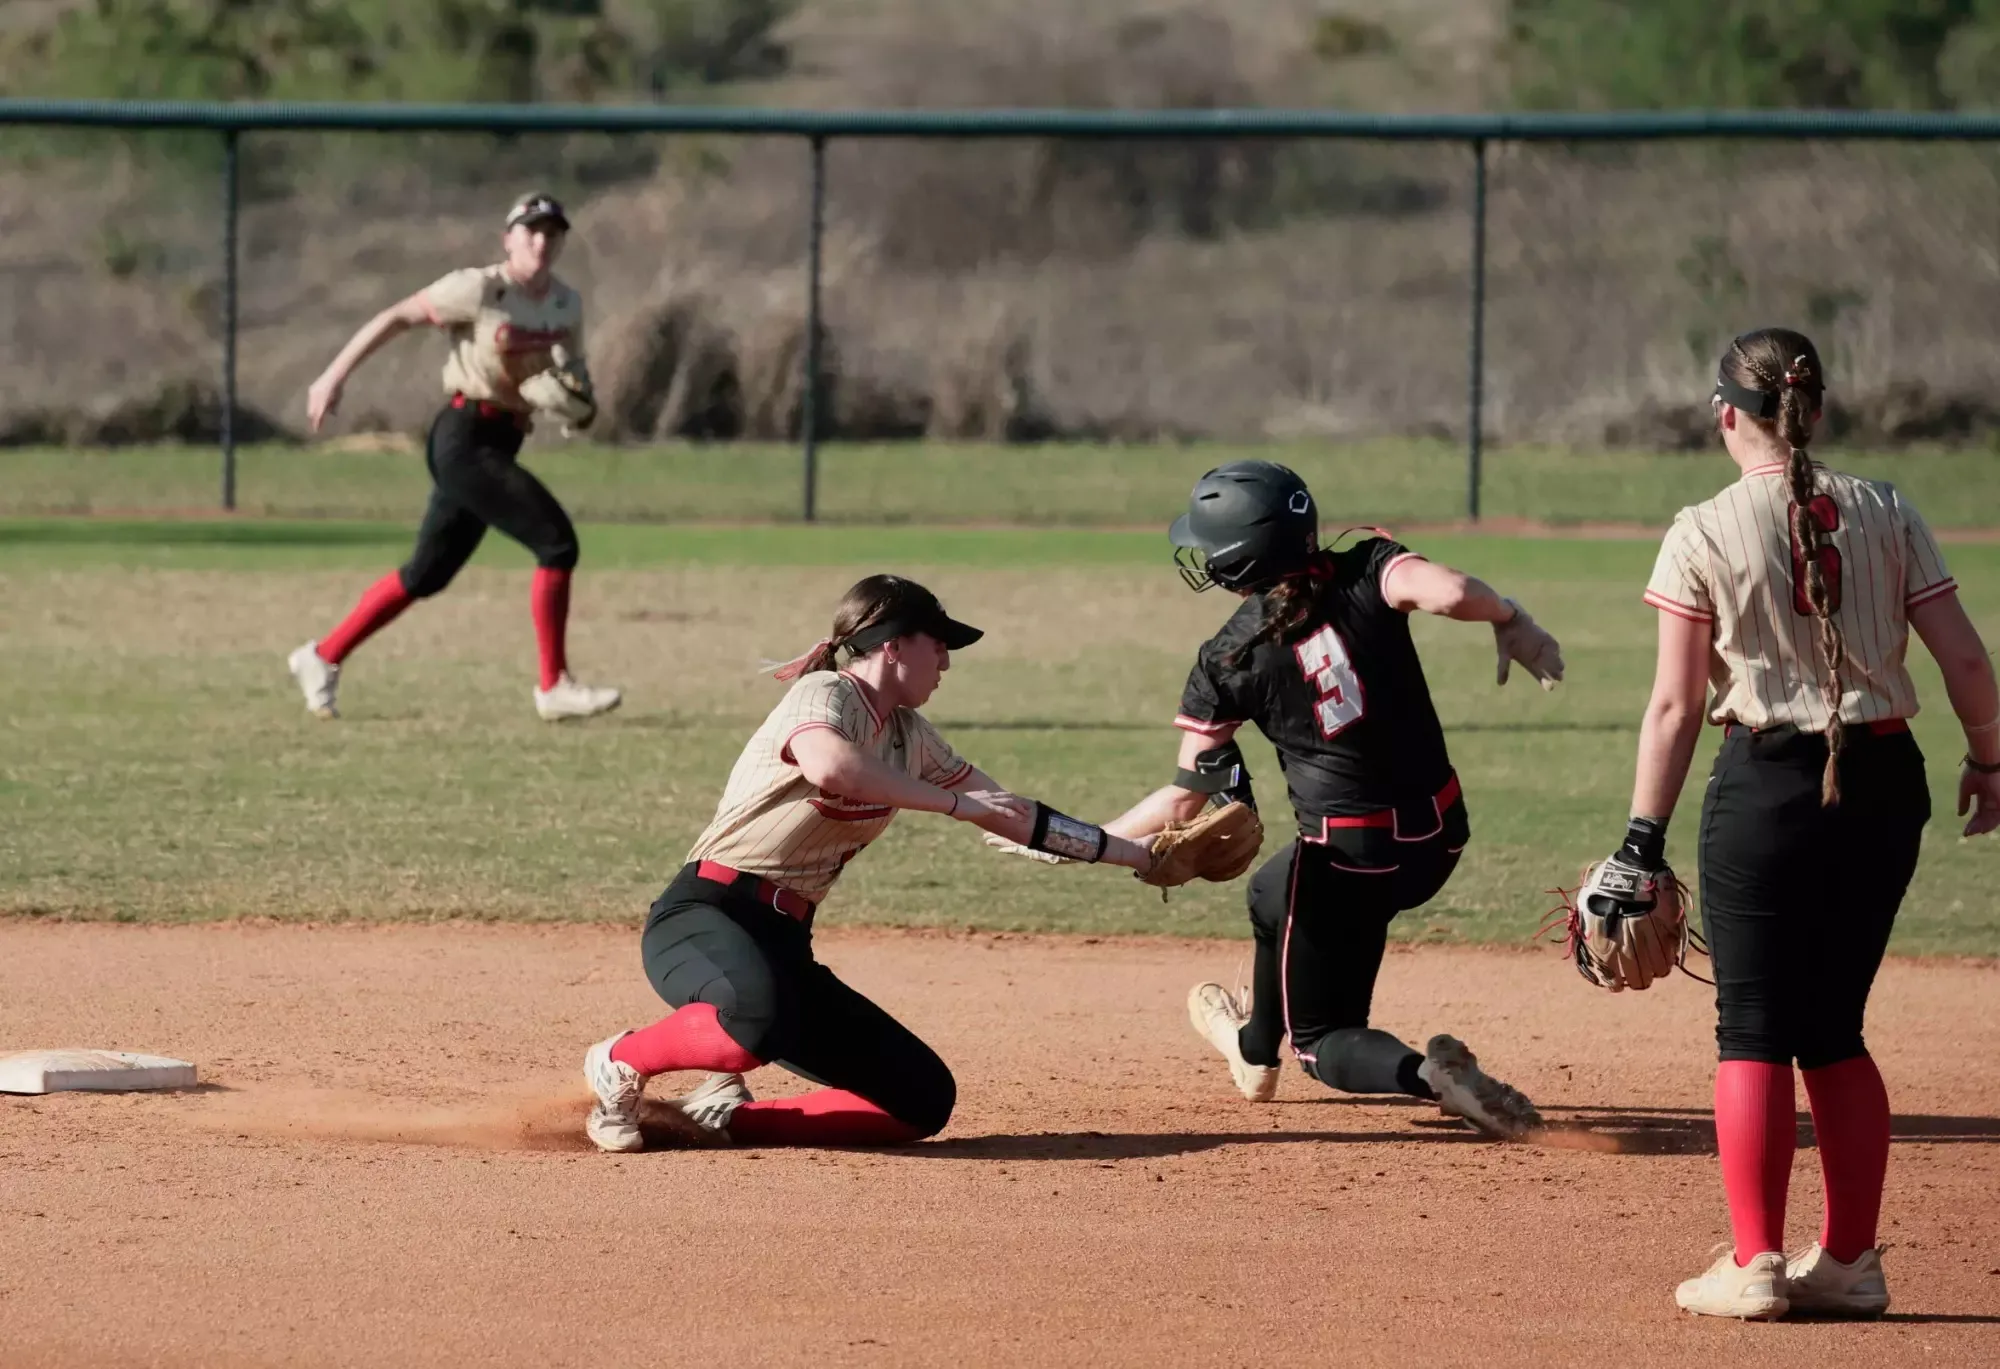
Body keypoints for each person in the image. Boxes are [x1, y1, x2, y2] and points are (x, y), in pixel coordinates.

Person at [1602, 327, 2000, 1320]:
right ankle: (1850, 1262)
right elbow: (1962, 658)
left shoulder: (1701, 527)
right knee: (1831, 1026)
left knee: (1751, 1027)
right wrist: (1991, 761)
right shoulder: (1887, 507)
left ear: (1724, 414)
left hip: (1768, 785)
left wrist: (1639, 840)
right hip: (1885, 781)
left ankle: (1752, 1263)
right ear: (1813, 410)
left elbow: (1675, 705)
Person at [1057, 460, 1563, 1138]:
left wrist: (1073, 839)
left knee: (1322, 1041)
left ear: (1237, 558)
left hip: (1346, 861)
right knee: (1270, 892)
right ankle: (1253, 1051)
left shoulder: (1228, 656)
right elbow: (1450, 591)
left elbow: (1184, 799)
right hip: (1439, 837)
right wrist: (1511, 618)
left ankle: (1429, 1078)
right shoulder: (1367, 567)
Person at [579, 574, 1160, 1152]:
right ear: (894, 644)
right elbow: (832, 767)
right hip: (705, 916)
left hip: (783, 943)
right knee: (754, 1020)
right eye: (939, 644)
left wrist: (1139, 855)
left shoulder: (911, 737)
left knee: (920, 1098)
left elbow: (1011, 812)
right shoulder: (824, 693)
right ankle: (620, 1060)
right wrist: (954, 805)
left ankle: (724, 1120)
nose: (946, 662)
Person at [286, 191, 621, 723]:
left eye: (552, 232)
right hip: (463, 436)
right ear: (508, 239)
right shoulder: (480, 288)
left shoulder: (566, 304)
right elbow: (397, 316)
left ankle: (322, 657)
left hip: (506, 437)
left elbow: (574, 381)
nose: (541, 241)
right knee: (556, 542)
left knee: (426, 574)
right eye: (531, 230)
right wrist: (332, 376)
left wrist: (578, 409)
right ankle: (553, 684)